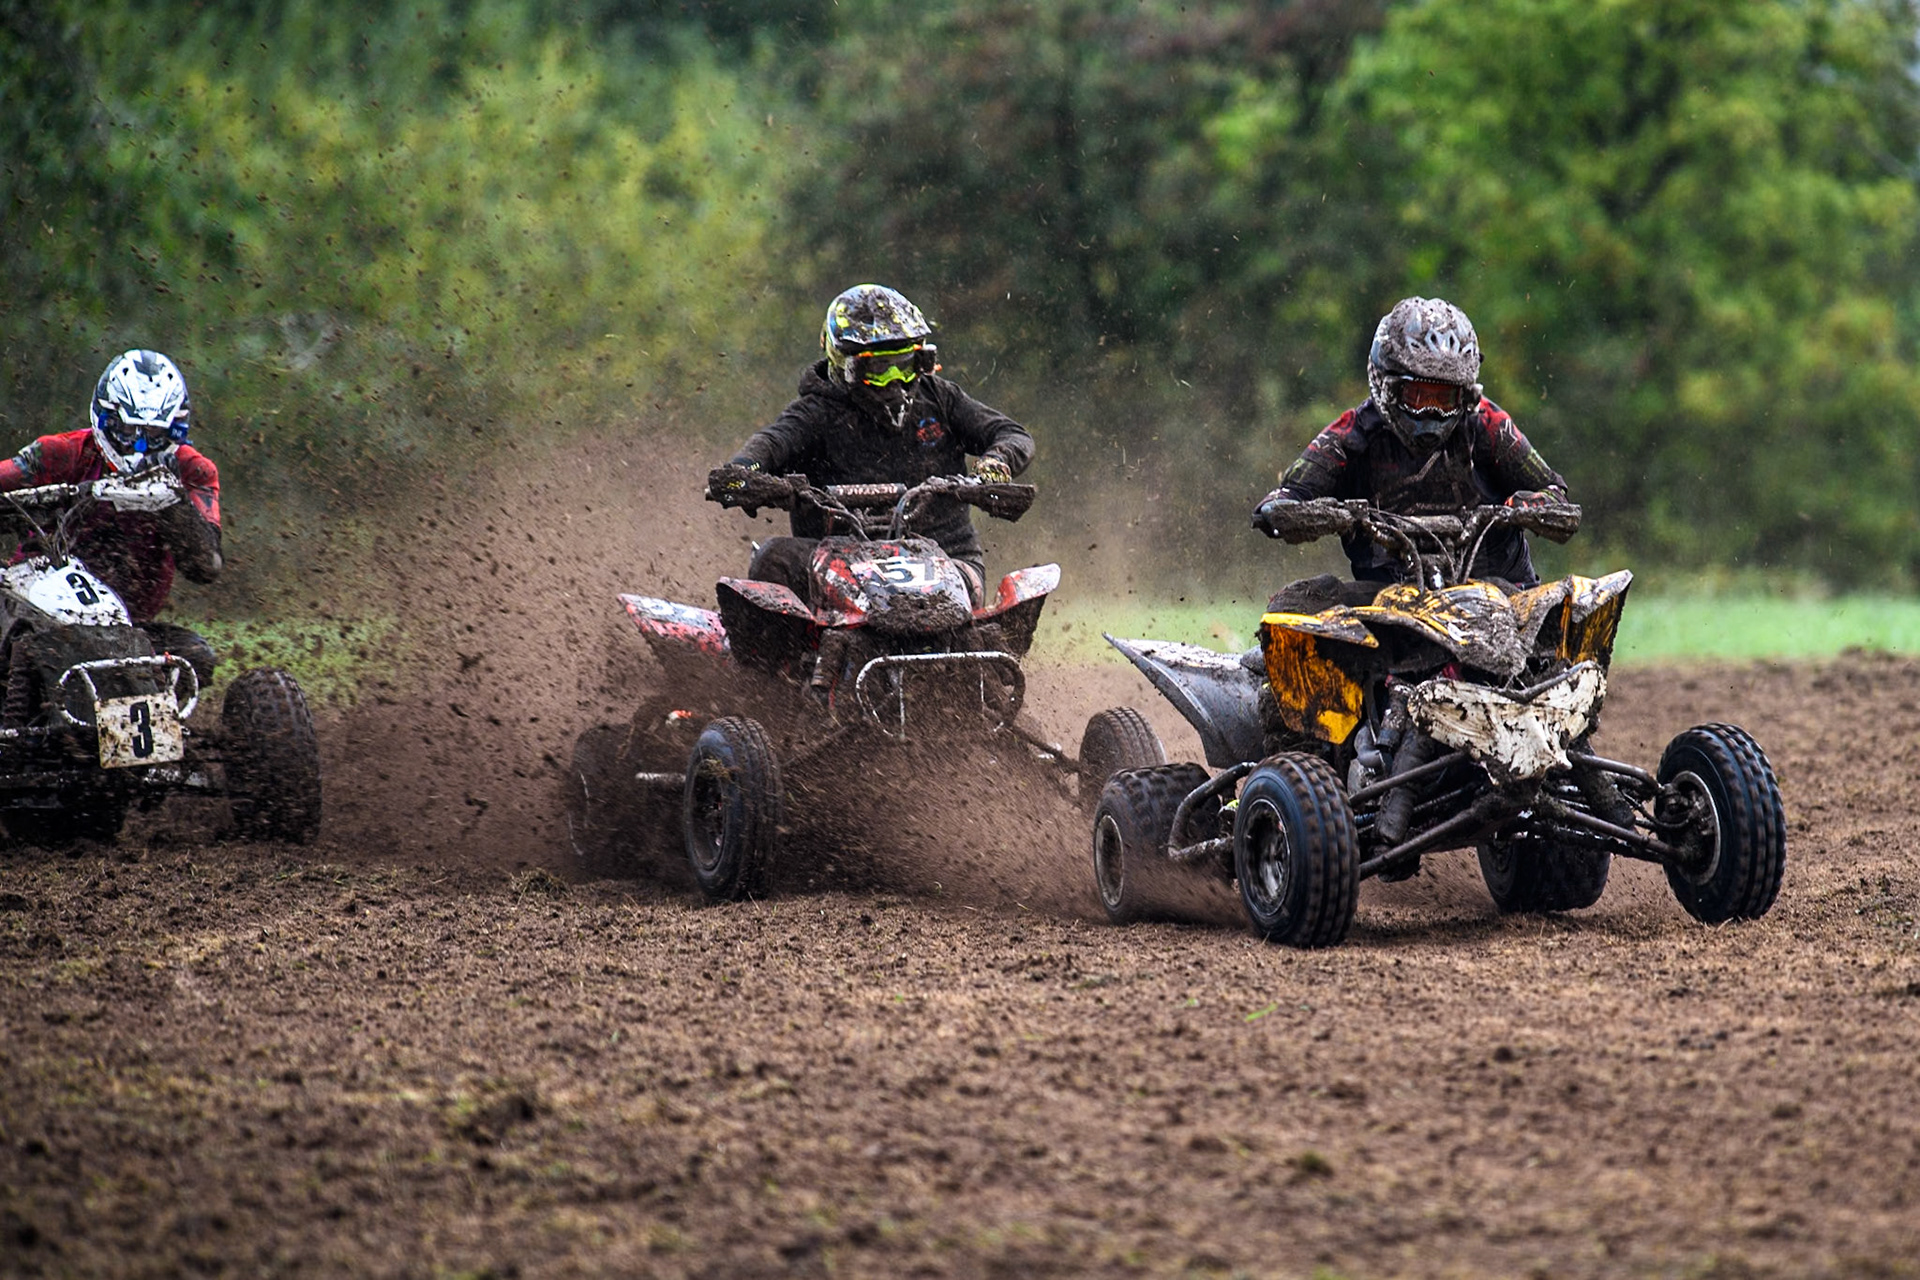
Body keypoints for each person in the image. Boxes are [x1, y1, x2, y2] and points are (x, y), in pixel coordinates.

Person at [712, 284, 1034, 605]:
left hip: (946, 555)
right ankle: (775, 656)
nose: (895, 380)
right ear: (845, 365)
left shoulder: (940, 399)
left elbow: (1012, 434)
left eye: (905, 363)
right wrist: (742, 473)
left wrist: (996, 462)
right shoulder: (815, 412)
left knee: (993, 592)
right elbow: (769, 444)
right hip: (838, 561)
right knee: (773, 559)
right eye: (879, 369)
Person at [1252, 296, 1569, 609]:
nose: (1432, 412)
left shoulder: (1488, 425)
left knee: (1568, 607)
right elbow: (1283, 498)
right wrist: (1304, 515)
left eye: (1445, 399)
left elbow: (1555, 492)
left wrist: (1529, 506)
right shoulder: (1350, 435)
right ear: (1385, 385)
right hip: (1387, 602)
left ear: (1467, 394)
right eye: (1419, 396)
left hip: (1502, 594)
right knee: (1293, 606)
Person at [0, 349, 222, 684]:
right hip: (31, 613)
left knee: (195, 657)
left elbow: (205, 567)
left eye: (154, 436)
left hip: (127, 628)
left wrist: (171, 506)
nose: (140, 448)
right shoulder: (59, 453)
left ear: (175, 431)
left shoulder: (192, 471)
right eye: (128, 432)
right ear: (105, 418)